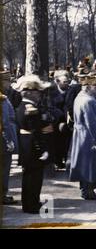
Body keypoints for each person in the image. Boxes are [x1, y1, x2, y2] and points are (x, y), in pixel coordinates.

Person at [12, 75, 52, 213]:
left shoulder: (23, 106)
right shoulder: (30, 108)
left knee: (29, 177)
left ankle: (29, 203)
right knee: (34, 178)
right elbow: (35, 131)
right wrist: (42, 149)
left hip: (27, 146)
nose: (39, 94)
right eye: (37, 91)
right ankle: (32, 205)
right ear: (28, 92)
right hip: (32, 146)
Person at [70, 75, 96, 200]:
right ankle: (88, 191)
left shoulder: (79, 97)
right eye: (95, 86)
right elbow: (92, 123)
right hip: (88, 136)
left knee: (83, 163)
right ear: (89, 87)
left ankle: (85, 189)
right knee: (90, 163)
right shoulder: (88, 101)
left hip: (80, 134)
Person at [1, 70, 18, 205]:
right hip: (3, 140)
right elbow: (5, 122)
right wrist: (9, 141)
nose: (9, 84)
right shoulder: (2, 99)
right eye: (7, 81)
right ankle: (2, 195)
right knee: (4, 169)